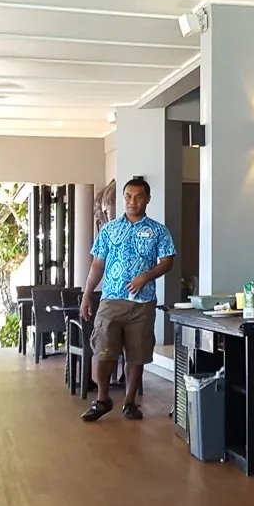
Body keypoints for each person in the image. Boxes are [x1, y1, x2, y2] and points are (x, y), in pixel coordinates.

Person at [79, 178, 175, 422]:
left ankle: (130, 401)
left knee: (137, 354)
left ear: (147, 199)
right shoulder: (109, 230)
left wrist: (145, 277)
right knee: (103, 351)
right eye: (128, 196)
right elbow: (97, 264)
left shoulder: (158, 231)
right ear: (123, 198)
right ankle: (103, 399)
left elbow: (167, 261)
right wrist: (87, 294)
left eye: (139, 196)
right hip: (111, 300)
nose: (133, 201)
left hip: (143, 302)